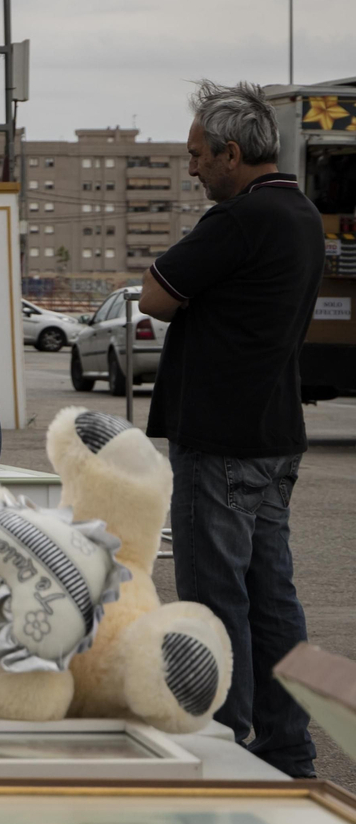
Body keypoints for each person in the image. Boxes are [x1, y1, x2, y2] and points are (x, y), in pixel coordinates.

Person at [139, 80, 323, 777]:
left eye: (197, 155)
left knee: (214, 604)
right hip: (275, 436)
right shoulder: (301, 213)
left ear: (232, 152)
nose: (191, 169)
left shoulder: (241, 220)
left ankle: (224, 746)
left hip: (219, 439)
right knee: (274, 601)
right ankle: (288, 747)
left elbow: (158, 293)